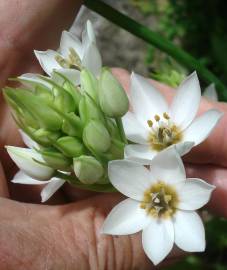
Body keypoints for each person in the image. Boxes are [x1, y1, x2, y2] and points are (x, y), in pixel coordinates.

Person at [0, 1, 227, 269]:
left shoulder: (145, 152)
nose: (159, 200)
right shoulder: (130, 160)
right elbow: (123, 165)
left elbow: (128, 161)